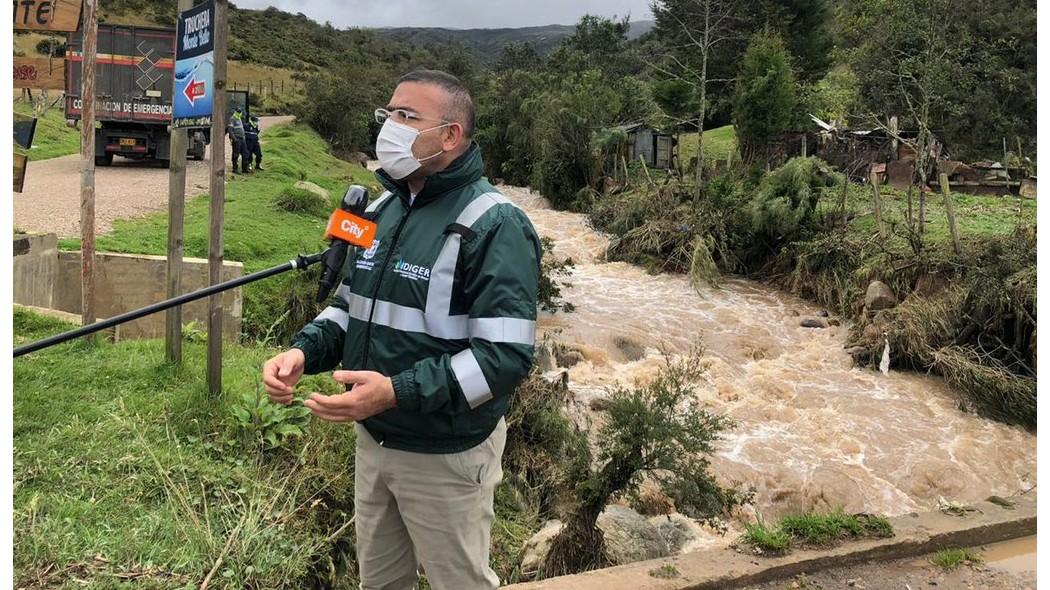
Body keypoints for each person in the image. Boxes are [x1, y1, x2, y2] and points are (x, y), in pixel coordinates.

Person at [262, 70, 540, 590]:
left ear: (451, 135)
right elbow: (350, 304)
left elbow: (505, 358)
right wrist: (302, 352)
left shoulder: (497, 223)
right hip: (375, 442)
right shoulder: (381, 209)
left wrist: (394, 393)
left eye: (407, 117)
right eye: (388, 113)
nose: (390, 126)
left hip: (446, 456)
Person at [227, 107, 249, 174]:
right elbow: (230, 130)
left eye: (240, 112)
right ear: (236, 112)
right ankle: (235, 169)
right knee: (236, 154)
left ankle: (245, 169)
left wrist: (244, 137)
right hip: (237, 139)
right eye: (238, 112)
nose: (240, 113)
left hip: (242, 139)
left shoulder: (239, 118)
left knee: (245, 154)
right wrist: (234, 139)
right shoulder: (232, 119)